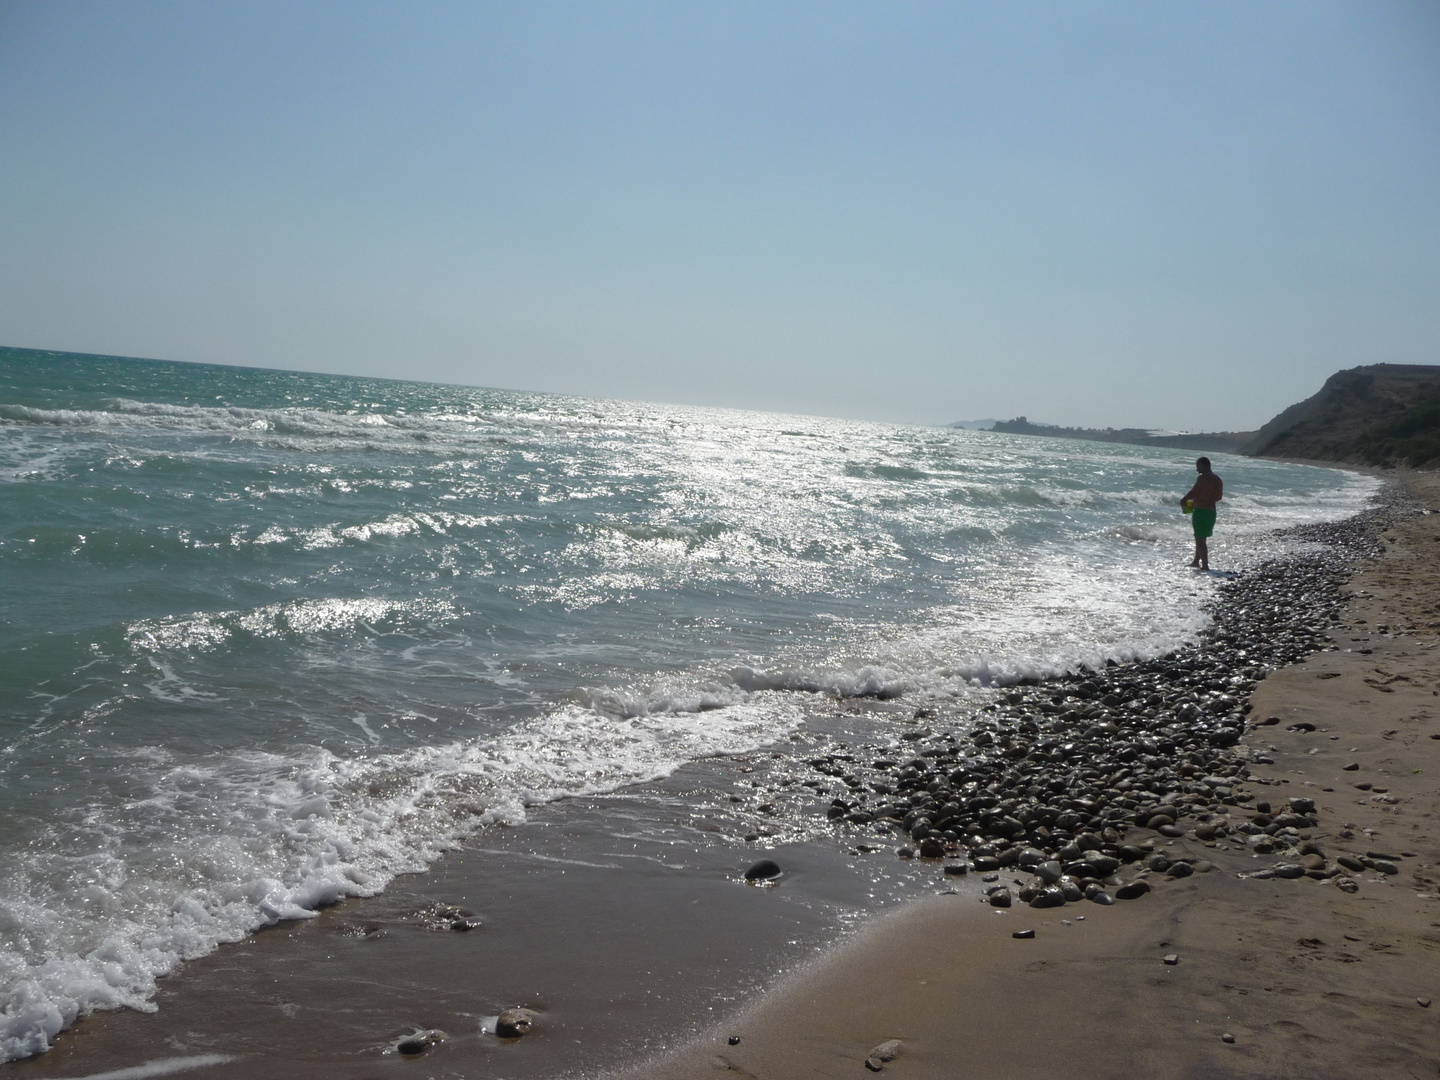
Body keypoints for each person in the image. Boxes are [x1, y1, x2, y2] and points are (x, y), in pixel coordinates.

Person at [1181, 457, 1223, 570]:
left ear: (1204, 465)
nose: (1196, 469)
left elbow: (1193, 492)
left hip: (1201, 511)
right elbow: (1218, 497)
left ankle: (1205, 565)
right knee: (1201, 538)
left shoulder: (1202, 478)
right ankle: (1196, 561)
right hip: (1212, 512)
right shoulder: (1217, 479)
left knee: (1200, 540)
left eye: (1198, 466)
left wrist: (1184, 500)